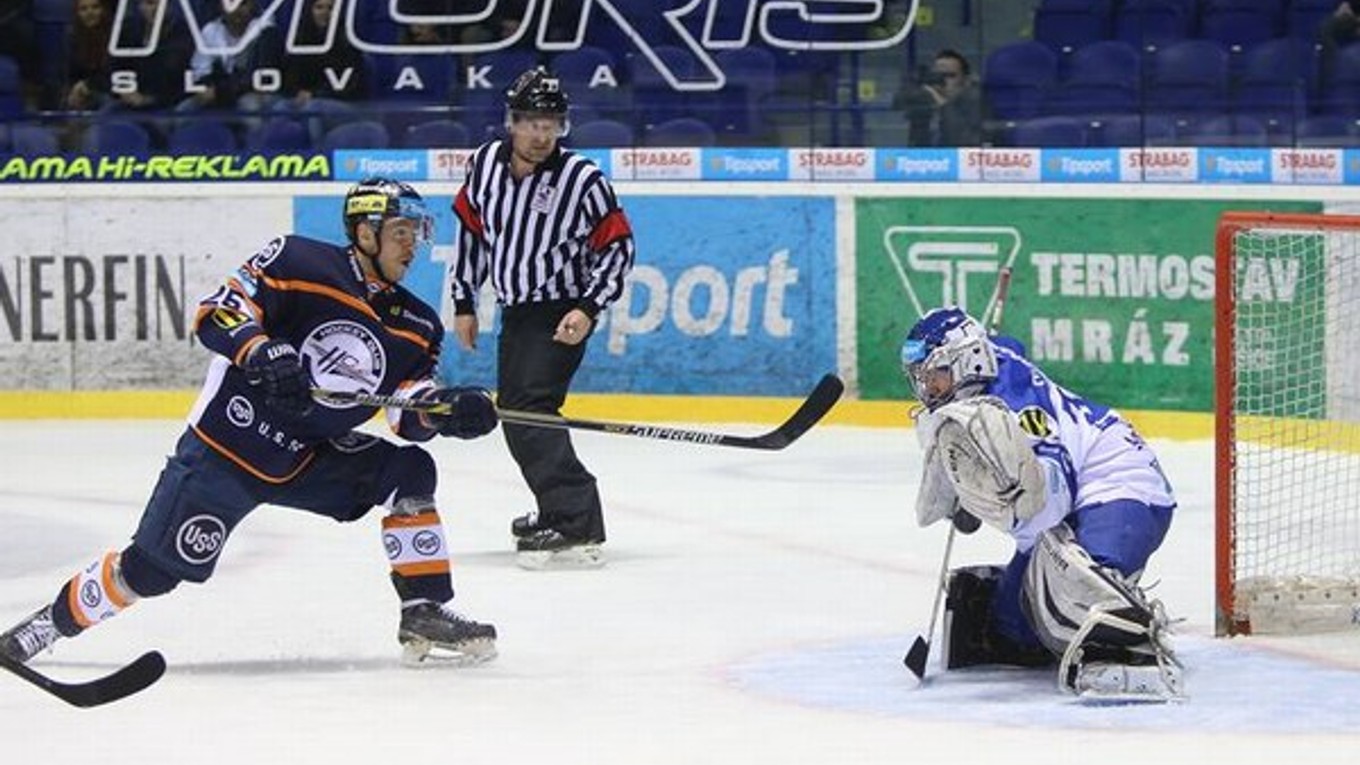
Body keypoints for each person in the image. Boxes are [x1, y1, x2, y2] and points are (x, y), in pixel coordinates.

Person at [0, 178, 501, 669]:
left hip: (307, 457)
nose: (412, 246)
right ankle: (44, 626)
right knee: (148, 573)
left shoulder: (417, 325)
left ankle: (424, 610)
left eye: (417, 234)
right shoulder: (298, 261)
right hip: (227, 451)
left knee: (409, 470)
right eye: (400, 232)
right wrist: (260, 351)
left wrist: (443, 410)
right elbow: (218, 311)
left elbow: (403, 410)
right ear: (365, 233)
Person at [902, 307, 1183, 700]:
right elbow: (1008, 346)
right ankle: (1072, 616)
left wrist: (988, 497)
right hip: (1076, 489)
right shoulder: (990, 362)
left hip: (1123, 481)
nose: (929, 390)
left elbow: (1049, 507)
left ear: (968, 361)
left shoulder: (1019, 408)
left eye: (936, 376)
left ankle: (1129, 642)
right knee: (1014, 627)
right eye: (922, 380)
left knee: (1080, 590)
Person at [449, 66, 636, 570]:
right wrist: (465, 302)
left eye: (550, 123)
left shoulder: (584, 180)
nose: (540, 133)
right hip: (516, 311)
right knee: (516, 415)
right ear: (512, 122)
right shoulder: (485, 163)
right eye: (531, 121)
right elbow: (472, 233)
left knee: (530, 409)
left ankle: (575, 521)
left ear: (562, 127)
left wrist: (588, 307)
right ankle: (558, 509)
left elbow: (618, 248)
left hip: (560, 312)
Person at [895, 49, 983, 147]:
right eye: (937, 75)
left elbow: (962, 141)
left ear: (966, 80)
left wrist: (943, 105)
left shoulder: (976, 105)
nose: (941, 81)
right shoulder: (923, 101)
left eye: (950, 75)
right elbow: (896, 110)